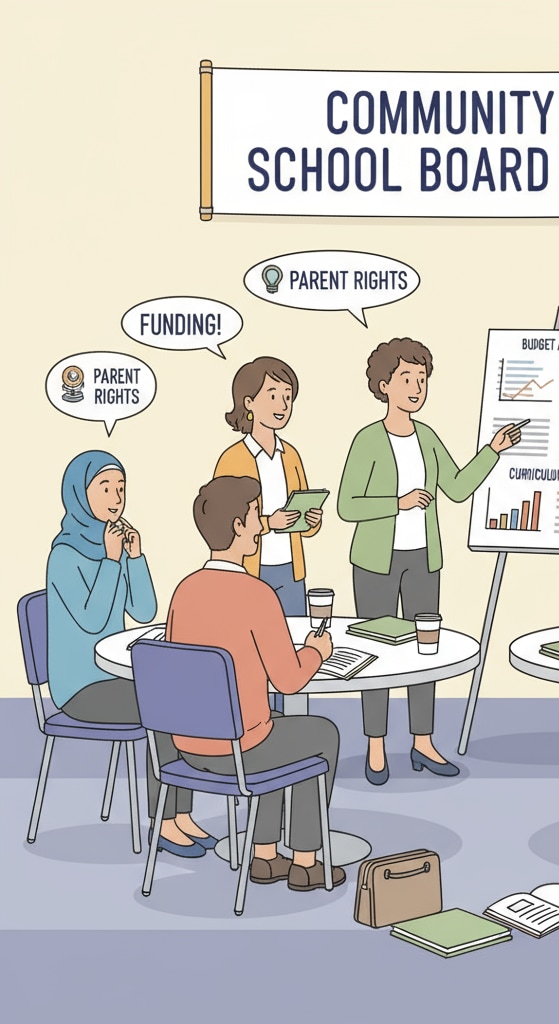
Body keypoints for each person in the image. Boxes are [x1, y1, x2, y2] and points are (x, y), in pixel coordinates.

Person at [338, 337, 521, 785]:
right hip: (375, 563)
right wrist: (396, 503)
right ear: (384, 386)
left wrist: (493, 450)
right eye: (406, 379)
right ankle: (376, 745)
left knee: (425, 652)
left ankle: (423, 741)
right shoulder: (367, 439)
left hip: (424, 558)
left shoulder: (427, 437)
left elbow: (456, 487)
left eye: (422, 379)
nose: (417, 387)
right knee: (375, 655)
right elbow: (347, 505)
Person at [166, 476, 344, 892]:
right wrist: (318, 650)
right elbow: (289, 679)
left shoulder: (185, 591)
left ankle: (265, 856)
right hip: (240, 751)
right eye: (254, 517)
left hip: (188, 747)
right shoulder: (258, 594)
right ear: (236, 527)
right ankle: (305, 862)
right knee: (320, 733)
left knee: (272, 725)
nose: (261, 525)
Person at [46, 451, 209, 857]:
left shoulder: (112, 544)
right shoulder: (64, 555)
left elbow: (144, 611)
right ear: (79, 495)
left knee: (179, 700)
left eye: (120, 488)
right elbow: (92, 617)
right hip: (80, 686)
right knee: (165, 708)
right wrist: (112, 559)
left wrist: (135, 558)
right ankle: (163, 821)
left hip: (114, 677)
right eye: (104, 487)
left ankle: (181, 815)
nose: (116, 497)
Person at [214, 356, 323, 617]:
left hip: (291, 570)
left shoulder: (291, 455)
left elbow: (307, 527)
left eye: (288, 397)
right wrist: (269, 523)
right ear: (249, 402)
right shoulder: (232, 460)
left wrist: (311, 520)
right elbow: (220, 527)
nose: (283, 405)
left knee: (293, 637)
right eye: (273, 395)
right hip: (249, 569)